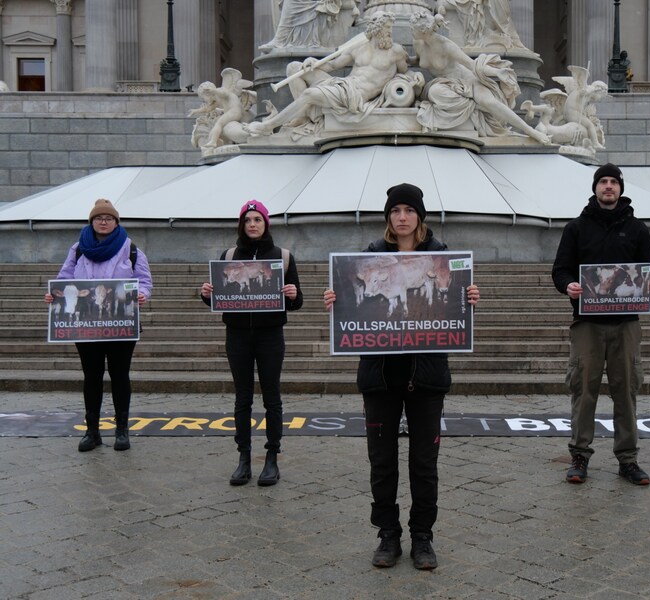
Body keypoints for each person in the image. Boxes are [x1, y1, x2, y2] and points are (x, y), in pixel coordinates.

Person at [323, 183, 480, 570]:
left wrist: (467, 296)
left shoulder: (442, 258)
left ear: (419, 217)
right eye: (396, 211)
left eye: (409, 210)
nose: (402, 217)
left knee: (424, 462)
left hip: (426, 376)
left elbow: (451, 303)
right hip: (381, 375)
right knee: (382, 460)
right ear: (388, 218)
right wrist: (337, 299)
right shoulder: (369, 258)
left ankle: (423, 537)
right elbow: (355, 304)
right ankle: (388, 535)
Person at [551, 163, 650, 485]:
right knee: (583, 390)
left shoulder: (637, 228)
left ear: (620, 188)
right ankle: (579, 456)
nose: (609, 187)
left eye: (614, 182)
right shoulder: (576, 227)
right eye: (603, 181)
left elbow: (649, 270)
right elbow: (561, 269)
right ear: (595, 187)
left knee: (626, 391)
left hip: (626, 323)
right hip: (587, 323)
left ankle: (628, 459)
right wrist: (568, 285)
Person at [200, 200, 303, 486]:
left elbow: (297, 302)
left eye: (258, 219)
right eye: (248, 220)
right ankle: (243, 458)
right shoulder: (229, 255)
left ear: (266, 223)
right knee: (242, 397)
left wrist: (293, 294)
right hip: (237, 335)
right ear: (242, 225)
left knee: (272, 397)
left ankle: (272, 458)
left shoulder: (282, 256)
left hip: (270, 335)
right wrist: (207, 293)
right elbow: (218, 295)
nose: (253, 224)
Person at [44, 199, 152, 452]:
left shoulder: (131, 249)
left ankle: (122, 430)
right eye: (99, 218)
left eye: (109, 218)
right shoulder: (78, 249)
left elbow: (144, 280)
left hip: (120, 324)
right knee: (91, 376)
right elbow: (65, 278)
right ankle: (92, 431)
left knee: (119, 375)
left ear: (116, 222)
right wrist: (55, 294)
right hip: (86, 325)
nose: (104, 222)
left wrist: (143, 294)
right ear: (91, 222)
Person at [247, 11, 408, 136]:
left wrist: (416, 78)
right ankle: (306, 116)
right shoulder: (358, 46)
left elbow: (406, 73)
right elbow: (332, 65)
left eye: (390, 28)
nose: (390, 32)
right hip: (343, 85)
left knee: (310, 94)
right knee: (294, 68)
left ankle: (268, 125)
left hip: (354, 97)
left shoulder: (395, 51)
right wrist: (314, 62)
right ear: (376, 28)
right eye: (387, 27)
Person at [408, 10, 550, 144]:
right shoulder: (418, 43)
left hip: (467, 80)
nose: (411, 31)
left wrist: (497, 73)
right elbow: (419, 60)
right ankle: (475, 106)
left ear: (424, 32)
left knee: (490, 103)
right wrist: (404, 59)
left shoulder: (446, 46)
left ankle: (531, 131)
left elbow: (472, 65)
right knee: (434, 92)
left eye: (413, 29)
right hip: (444, 84)